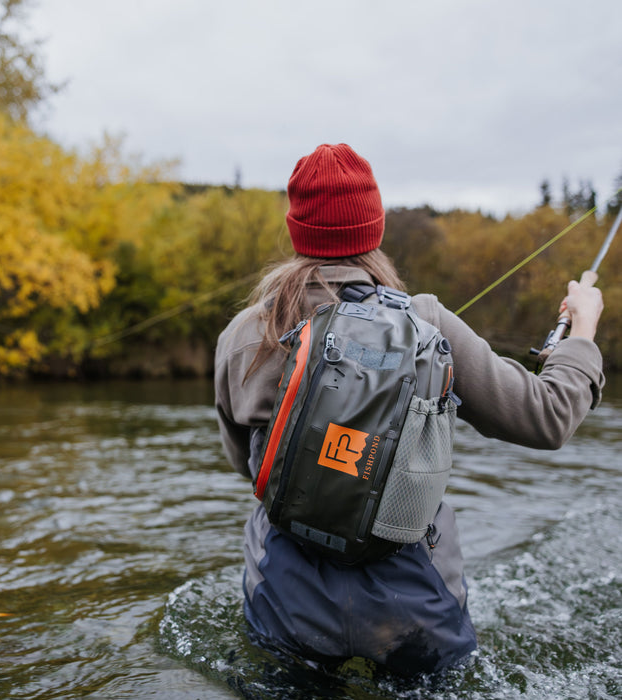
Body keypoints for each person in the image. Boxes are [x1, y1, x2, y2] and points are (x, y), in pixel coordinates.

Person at [214, 143, 605, 677]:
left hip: (288, 595)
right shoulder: (426, 322)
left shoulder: (245, 336)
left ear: (297, 232)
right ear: (373, 230)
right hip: (409, 601)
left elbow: (247, 466)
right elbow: (549, 416)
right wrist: (582, 328)